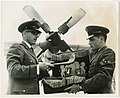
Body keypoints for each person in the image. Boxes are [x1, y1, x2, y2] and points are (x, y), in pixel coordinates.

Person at [6, 19, 54, 95]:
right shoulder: (17, 48)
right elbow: (13, 70)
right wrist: (38, 68)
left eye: (38, 34)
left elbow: (32, 77)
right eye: (34, 33)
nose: (36, 36)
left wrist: (45, 69)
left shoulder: (30, 51)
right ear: (24, 34)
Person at [65, 25, 115, 94]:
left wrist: (81, 86)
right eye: (89, 40)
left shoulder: (108, 53)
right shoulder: (97, 54)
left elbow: (104, 76)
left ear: (101, 39)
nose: (89, 43)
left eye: (92, 40)